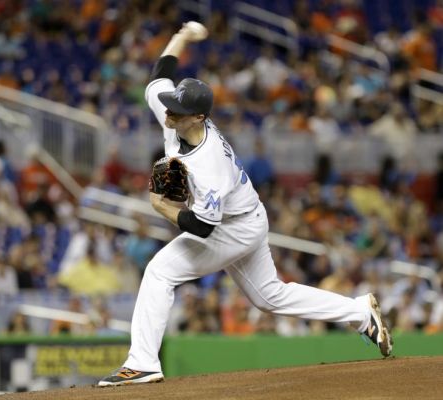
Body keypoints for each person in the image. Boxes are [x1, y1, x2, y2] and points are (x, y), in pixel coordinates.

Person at [98, 23, 393, 387]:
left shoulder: (210, 167)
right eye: (171, 106)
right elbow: (160, 75)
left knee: (160, 271)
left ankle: (142, 362)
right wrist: (183, 37)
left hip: (231, 226)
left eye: (177, 109)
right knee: (269, 296)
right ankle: (360, 312)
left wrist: (160, 206)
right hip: (246, 216)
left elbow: (204, 228)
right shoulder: (177, 117)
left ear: (200, 117)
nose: (168, 112)